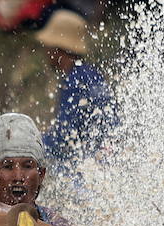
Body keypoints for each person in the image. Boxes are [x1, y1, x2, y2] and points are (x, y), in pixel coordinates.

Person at [33, 8, 117, 173]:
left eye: (48, 46)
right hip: (107, 159)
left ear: (58, 48)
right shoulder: (91, 74)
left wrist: (30, 145)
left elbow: (63, 137)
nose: (45, 51)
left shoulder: (74, 82)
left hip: (90, 165)